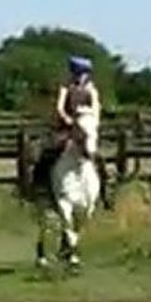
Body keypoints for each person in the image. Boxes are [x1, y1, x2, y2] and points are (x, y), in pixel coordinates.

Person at [36, 56, 110, 206]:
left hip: (87, 128)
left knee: (98, 158)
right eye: (78, 73)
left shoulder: (92, 90)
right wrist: (67, 119)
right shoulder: (66, 88)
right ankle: (39, 186)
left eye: (83, 73)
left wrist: (94, 122)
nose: (80, 76)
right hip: (67, 128)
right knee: (50, 152)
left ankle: (105, 191)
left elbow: (96, 108)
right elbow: (59, 108)